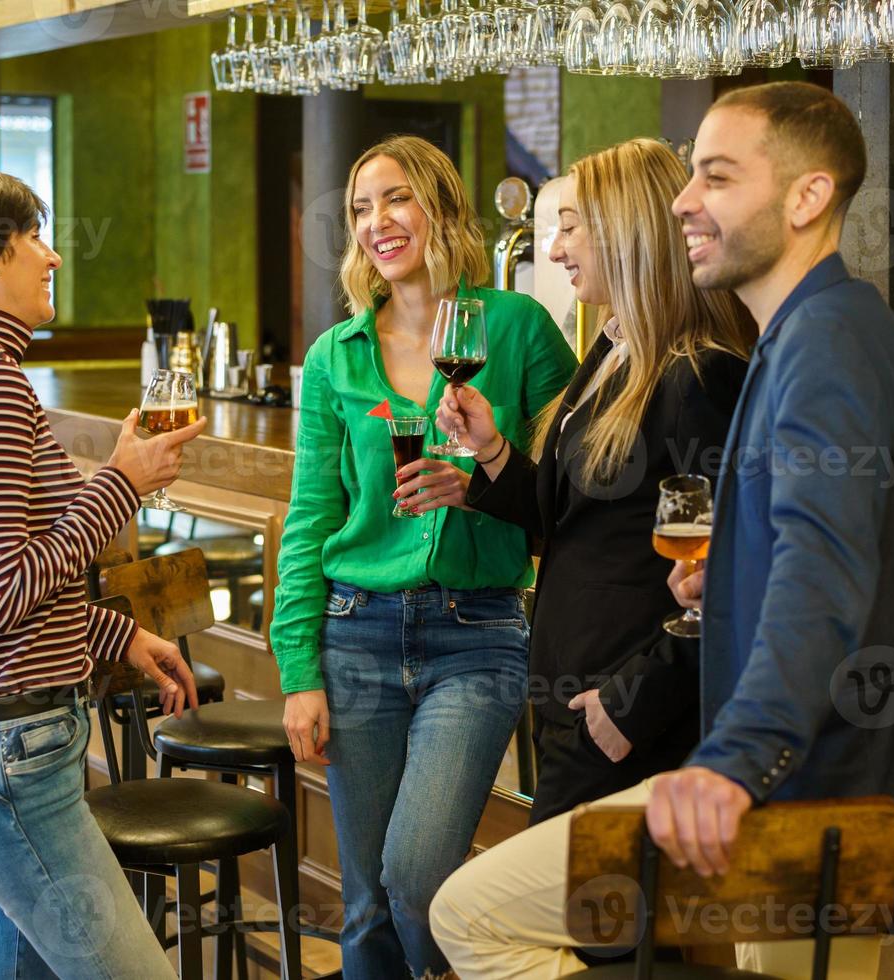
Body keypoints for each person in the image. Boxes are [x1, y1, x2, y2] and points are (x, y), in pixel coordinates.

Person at [431, 82, 894, 980]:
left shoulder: (824, 347)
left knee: (473, 913)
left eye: (717, 178)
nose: (684, 201)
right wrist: (726, 572)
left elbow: (823, 583)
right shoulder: (808, 333)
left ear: (807, 197)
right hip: (799, 776)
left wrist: (728, 763)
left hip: (812, 783)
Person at [271, 134, 578, 979]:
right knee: (366, 901)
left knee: (417, 875)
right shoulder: (338, 355)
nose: (377, 222)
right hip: (354, 633)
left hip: (476, 635)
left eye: (396, 199)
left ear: (441, 209)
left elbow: (579, 480)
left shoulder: (517, 328)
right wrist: (298, 668)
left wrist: (484, 471)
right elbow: (308, 519)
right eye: (361, 208)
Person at [0, 164, 204, 979]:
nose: (53, 257)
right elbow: (2, 596)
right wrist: (123, 482)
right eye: (33, 236)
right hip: (8, 762)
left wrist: (115, 633)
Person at [433, 137, 752, 827]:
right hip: (569, 698)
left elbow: (736, 574)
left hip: (619, 713)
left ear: (628, 230)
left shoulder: (700, 374)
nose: (553, 252)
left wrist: (631, 702)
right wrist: (490, 451)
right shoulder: (613, 349)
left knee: (560, 925)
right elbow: (568, 522)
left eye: (570, 228)